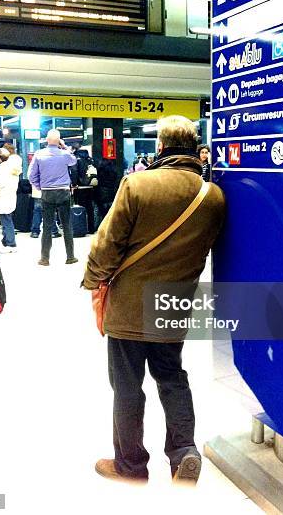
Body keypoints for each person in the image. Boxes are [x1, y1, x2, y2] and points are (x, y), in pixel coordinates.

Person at [82, 115, 225, 484]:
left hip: (130, 302)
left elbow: (108, 243)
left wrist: (92, 279)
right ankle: (183, 453)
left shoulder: (137, 185)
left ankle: (130, 466)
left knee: (128, 384)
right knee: (172, 376)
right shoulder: (213, 195)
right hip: (175, 301)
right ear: (194, 146)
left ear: (160, 146)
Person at [29, 129, 78, 266]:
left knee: (47, 226)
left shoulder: (39, 154)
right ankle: (70, 257)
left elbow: (31, 175)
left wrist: (40, 186)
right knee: (67, 225)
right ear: (59, 140)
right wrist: (65, 147)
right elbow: (73, 161)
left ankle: (45, 258)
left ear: (46, 140)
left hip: (47, 193)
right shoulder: (64, 154)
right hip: (63, 192)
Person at [0, 147, 23, 253]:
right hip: (10, 196)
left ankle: (10, 243)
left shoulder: (2, 170)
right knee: (7, 219)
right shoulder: (13, 168)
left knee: (6, 220)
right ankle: (6, 240)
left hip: (3, 197)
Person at [71, 149, 97, 234]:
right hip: (90, 186)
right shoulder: (91, 160)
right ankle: (91, 228)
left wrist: (74, 184)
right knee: (90, 208)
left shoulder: (76, 159)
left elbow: (74, 171)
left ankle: (82, 228)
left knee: (80, 208)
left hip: (80, 188)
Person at [95, 159, 118, 228]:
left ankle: (103, 225)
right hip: (111, 190)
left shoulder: (100, 169)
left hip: (101, 191)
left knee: (102, 210)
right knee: (111, 208)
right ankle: (111, 224)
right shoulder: (113, 169)